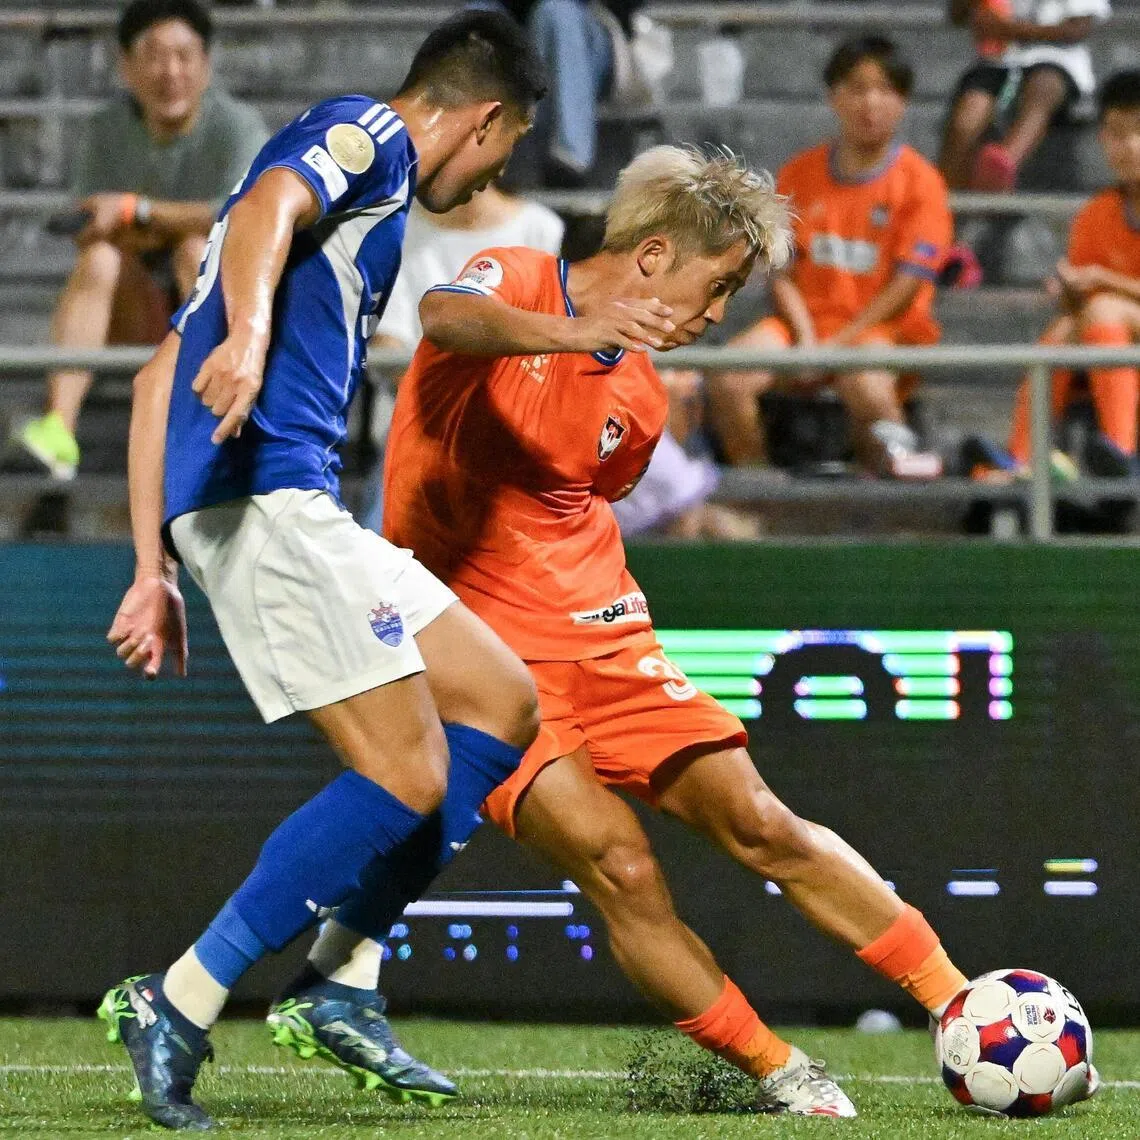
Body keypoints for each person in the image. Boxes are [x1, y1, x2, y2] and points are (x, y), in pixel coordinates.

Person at [273, 146, 982, 1119]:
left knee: (762, 823)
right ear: (652, 258)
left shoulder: (643, 396)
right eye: (720, 283)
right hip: (481, 666)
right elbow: (443, 317)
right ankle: (784, 1073)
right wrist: (572, 331)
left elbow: (584, 502)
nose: (720, 312)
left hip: (606, 641)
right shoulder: (519, 280)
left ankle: (963, 1006)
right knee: (622, 864)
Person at [100, 12, 553, 1131]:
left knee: (499, 700)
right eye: (504, 150)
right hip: (271, 506)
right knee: (406, 773)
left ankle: (340, 980)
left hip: (275, 510)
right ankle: (182, 999)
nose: (493, 172)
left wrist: (151, 563)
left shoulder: (337, 192)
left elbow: (163, 376)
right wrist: (252, 338)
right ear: (484, 118)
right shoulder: (367, 137)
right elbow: (268, 213)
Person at [14, 0, 268, 481]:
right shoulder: (104, 129)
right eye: (152, 55)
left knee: (198, 249)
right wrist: (162, 221)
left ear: (206, 64)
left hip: (214, 310)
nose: (169, 71)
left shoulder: (238, 128)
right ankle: (59, 432)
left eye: (183, 56)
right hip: (135, 308)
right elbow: (91, 224)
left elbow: (239, 218)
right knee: (101, 258)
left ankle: (211, 420)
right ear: (126, 67)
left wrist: (139, 211)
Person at [704, 37, 952, 478]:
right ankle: (762, 490)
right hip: (805, 325)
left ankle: (893, 502)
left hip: (882, 331)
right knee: (728, 377)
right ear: (833, 96)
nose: (870, 102)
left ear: (903, 101)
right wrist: (806, 338)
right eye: (857, 88)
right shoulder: (800, 172)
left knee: (867, 385)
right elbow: (781, 269)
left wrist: (841, 345)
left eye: (885, 90)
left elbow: (907, 284)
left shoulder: (922, 183)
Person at [358, 183, 564, 532]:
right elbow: (390, 349)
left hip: (515, 443)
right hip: (416, 435)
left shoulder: (541, 228)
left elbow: (548, 351)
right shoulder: (396, 230)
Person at [1004, 70, 1140, 474]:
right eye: (1116, 133)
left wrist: (1101, 281)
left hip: (1118, 321)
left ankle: (1121, 455)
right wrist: (1070, 290)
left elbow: (1103, 291)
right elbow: (1082, 301)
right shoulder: (1094, 215)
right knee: (1060, 333)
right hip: (1115, 335)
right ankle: (1019, 463)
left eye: (1138, 131)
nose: (1129, 146)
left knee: (1104, 311)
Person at [940, 0, 1111, 192]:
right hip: (998, 62)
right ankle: (946, 197)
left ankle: (1004, 162)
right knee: (971, 111)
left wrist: (1009, 30)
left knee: (1043, 88)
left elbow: (1078, 29)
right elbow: (957, 16)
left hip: (1056, 59)